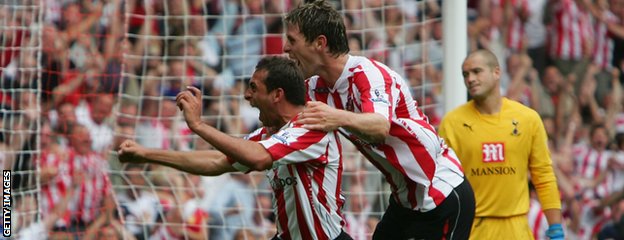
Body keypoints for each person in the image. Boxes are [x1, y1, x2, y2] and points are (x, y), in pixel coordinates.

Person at [283, 1, 475, 239]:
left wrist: (336, 117)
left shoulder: (369, 75)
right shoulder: (314, 87)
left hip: (442, 193)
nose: (285, 48)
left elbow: (380, 126)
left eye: (292, 41)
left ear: (320, 43)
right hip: (404, 201)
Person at [119, 56, 352, 240]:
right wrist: (146, 154)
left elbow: (258, 158)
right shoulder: (269, 134)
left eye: (254, 87)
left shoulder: (312, 127)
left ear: (277, 95)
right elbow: (217, 161)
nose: (246, 95)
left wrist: (198, 126)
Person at [438, 49, 564, 240]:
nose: (470, 79)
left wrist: (555, 228)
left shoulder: (528, 119)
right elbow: (442, 182)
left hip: (517, 228)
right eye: (465, 74)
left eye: (477, 71)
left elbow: (543, 175)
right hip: (472, 228)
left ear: (497, 72)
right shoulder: (452, 123)